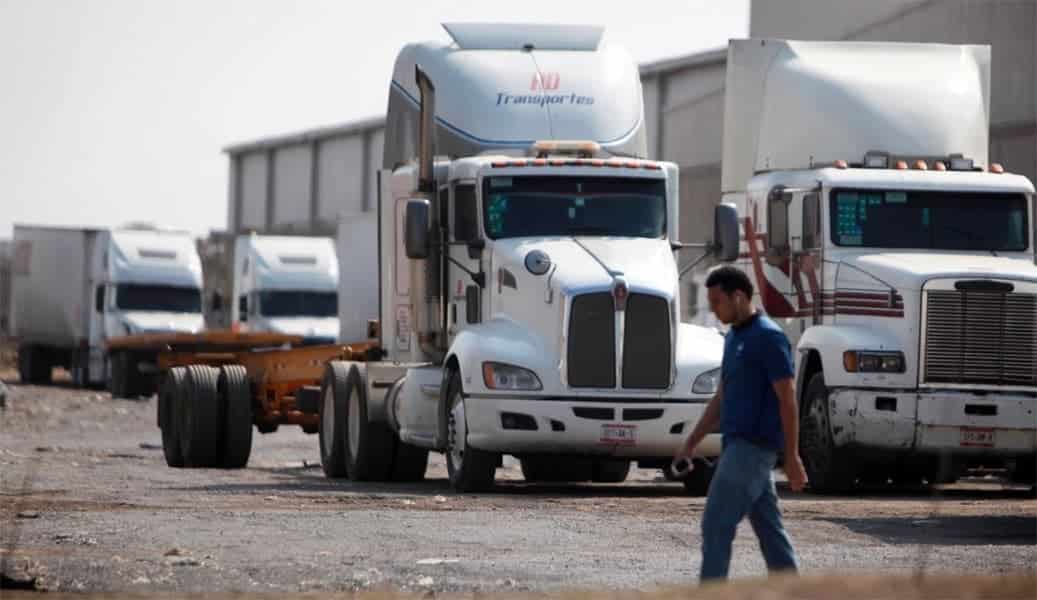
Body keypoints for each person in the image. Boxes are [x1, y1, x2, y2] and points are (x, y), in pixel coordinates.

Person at [673, 265, 807, 581]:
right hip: (737, 446)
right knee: (771, 532)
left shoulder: (769, 338)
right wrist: (691, 442)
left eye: (717, 302)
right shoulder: (734, 337)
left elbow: (787, 400)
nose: (713, 310)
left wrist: (792, 456)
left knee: (716, 523)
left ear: (738, 296)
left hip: (752, 449)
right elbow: (722, 397)